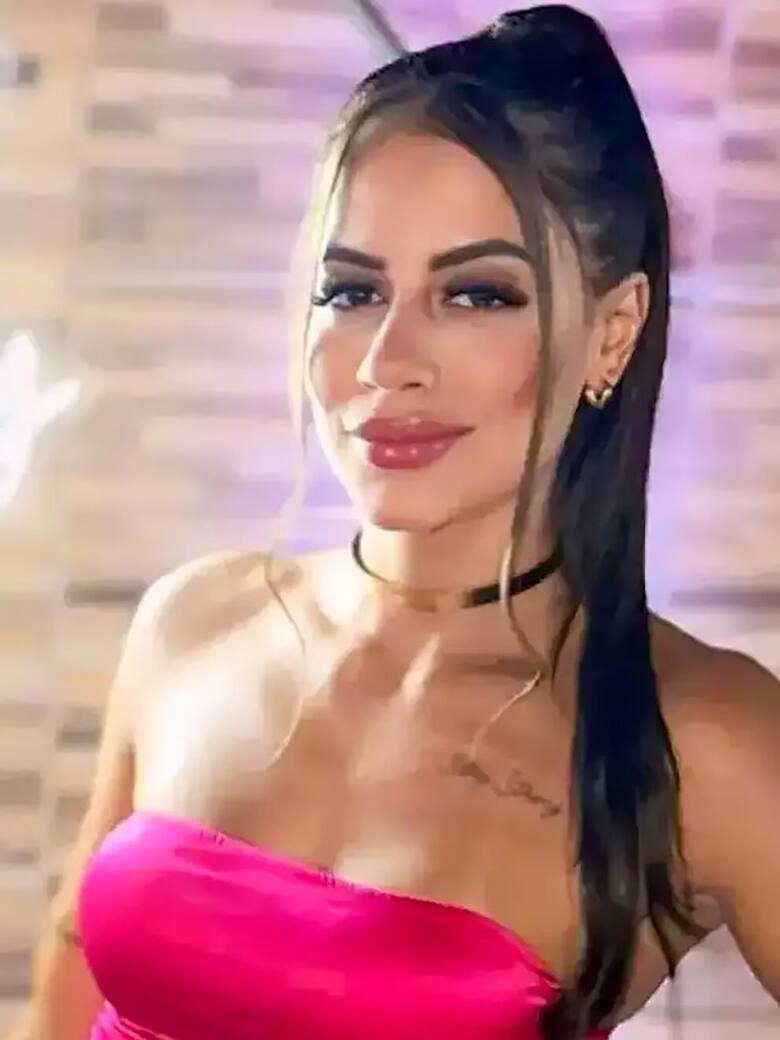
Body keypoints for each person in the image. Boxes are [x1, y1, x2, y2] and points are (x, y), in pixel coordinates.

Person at [8, 6, 780, 1040]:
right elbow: (64, 993)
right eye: (352, 290)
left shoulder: (698, 738)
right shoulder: (194, 622)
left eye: (477, 295)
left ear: (613, 331)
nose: (387, 363)